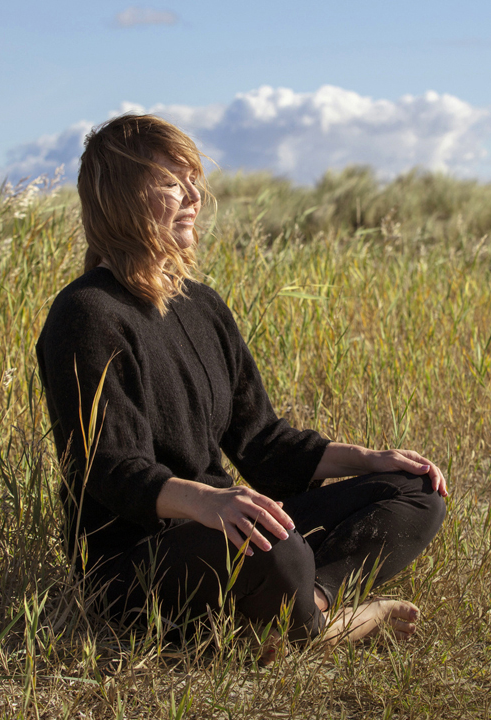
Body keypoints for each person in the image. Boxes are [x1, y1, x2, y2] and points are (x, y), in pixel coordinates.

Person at [35, 114, 447, 647]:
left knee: (416, 492)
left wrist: (368, 459)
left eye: (194, 182)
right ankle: (325, 625)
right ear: (121, 199)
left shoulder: (203, 307)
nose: (193, 196)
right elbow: (111, 471)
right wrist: (209, 503)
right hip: (135, 563)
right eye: (170, 183)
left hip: (223, 525)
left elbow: (263, 444)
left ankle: (310, 605)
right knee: (274, 545)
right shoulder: (85, 314)